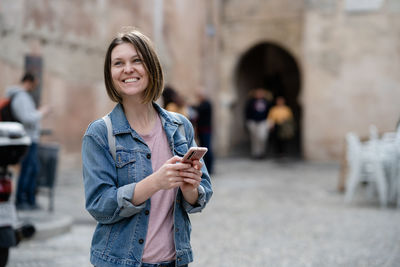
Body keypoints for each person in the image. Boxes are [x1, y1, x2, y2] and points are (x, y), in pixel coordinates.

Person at [82, 28, 213, 267]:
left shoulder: (180, 126)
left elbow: (200, 197)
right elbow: (99, 206)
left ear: (151, 67)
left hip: (176, 260)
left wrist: (189, 187)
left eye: (136, 60)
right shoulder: (100, 133)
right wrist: (156, 182)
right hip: (119, 261)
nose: (127, 69)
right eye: (118, 63)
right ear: (110, 73)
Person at [6, 73, 50, 210]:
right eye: (35, 84)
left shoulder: (23, 97)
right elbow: (26, 118)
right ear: (29, 82)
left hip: (31, 139)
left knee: (33, 169)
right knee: (27, 169)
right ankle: (21, 200)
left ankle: (30, 200)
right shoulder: (21, 97)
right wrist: (41, 113)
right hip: (27, 139)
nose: (35, 87)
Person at [244, 87, 272, 159]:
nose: (259, 94)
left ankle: (262, 152)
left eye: (261, 92)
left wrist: (270, 121)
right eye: (258, 92)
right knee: (254, 138)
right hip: (253, 121)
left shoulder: (267, 102)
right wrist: (248, 121)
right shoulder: (251, 101)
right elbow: (247, 112)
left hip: (263, 121)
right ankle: (256, 153)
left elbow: (270, 112)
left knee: (262, 137)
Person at [193, 89, 214, 174]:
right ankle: (206, 167)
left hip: (206, 130)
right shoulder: (202, 104)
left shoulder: (207, 104)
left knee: (207, 149)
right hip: (201, 130)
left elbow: (199, 109)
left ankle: (210, 168)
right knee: (202, 149)